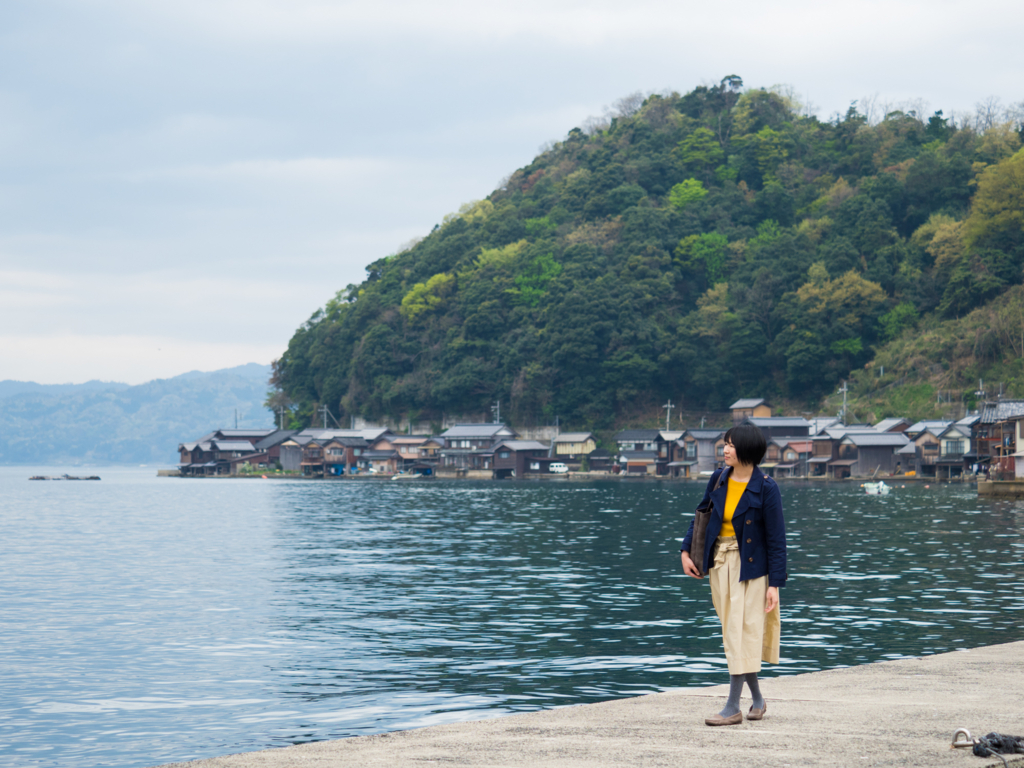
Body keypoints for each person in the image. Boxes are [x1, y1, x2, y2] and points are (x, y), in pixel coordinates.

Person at [680, 424, 787, 726]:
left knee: (739, 633)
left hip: (751, 570)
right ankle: (758, 699)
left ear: (747, 450)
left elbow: (777, 540)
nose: (725, 449)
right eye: (725, 444)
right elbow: (700, 515)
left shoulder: (766, 487)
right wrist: (686, 552)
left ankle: (732, 706)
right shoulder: (718, 479)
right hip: (718, 563)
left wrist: (775, 584)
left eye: (731, 445)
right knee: (733, 631)